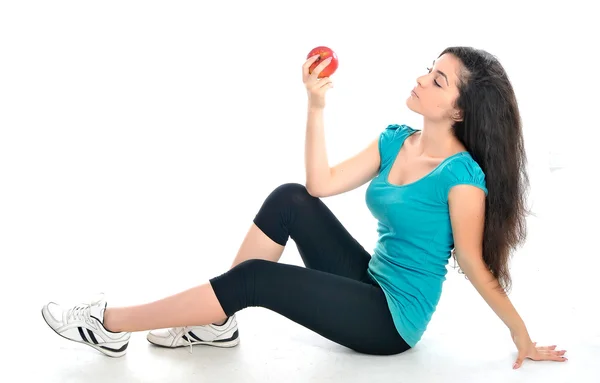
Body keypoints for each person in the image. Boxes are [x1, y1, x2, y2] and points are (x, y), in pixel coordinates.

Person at [41, 46, 567, 369]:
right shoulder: (396, 141)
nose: (422, 79)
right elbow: (319, 185)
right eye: (429, 68)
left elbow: (475, 266)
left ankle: (110, 324)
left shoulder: (463, 180)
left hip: (391, 323)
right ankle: (217, 322)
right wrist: (316, 106)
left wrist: (522, 335)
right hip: (368, 280)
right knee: (289, 197)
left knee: (258, 280)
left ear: (457, 108)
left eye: (437, 80)